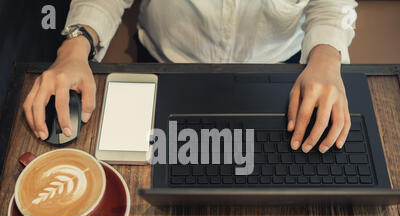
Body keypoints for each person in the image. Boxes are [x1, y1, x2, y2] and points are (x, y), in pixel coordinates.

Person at [23, 0, 358, 154]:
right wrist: (75, 47)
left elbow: (332, 5)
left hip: (279, 68)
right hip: (164, 64)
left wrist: (327, 56)